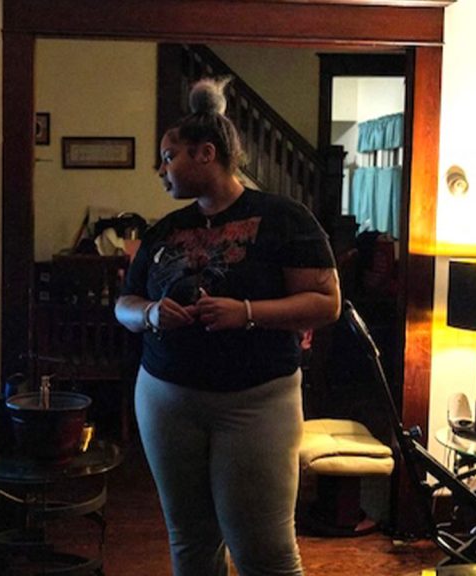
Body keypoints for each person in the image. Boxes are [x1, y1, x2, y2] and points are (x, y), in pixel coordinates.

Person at [115, 77, 340, 576]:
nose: (161, 170)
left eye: (168, 156)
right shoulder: (165, 230)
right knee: (191, 544)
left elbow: (327, 303)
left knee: (265, 551)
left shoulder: (284, 218)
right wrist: (150, 313)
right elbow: (124, 304)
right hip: (166, 401)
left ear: (205, 154)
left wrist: (247, 312)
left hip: (256, 404)